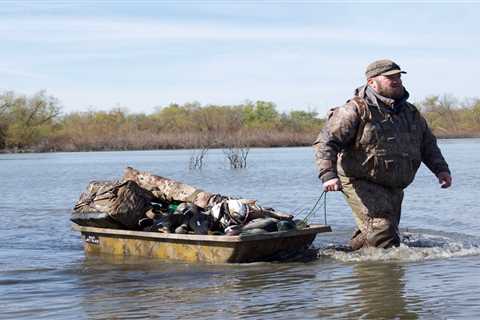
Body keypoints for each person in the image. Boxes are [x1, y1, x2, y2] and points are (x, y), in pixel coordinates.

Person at [313, 59, 452, 250]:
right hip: (359, 180)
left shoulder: (411, 112)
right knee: (382, 229)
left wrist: (441, 170)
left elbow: (428, 145)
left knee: (383, 233)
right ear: (372, 82)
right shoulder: (354, 109)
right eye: (389, 78)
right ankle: (381, 273)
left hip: (394, 184)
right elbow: (326, 142)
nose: (396, 81)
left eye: (398, 77)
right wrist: (328, 175)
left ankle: (350, 257)